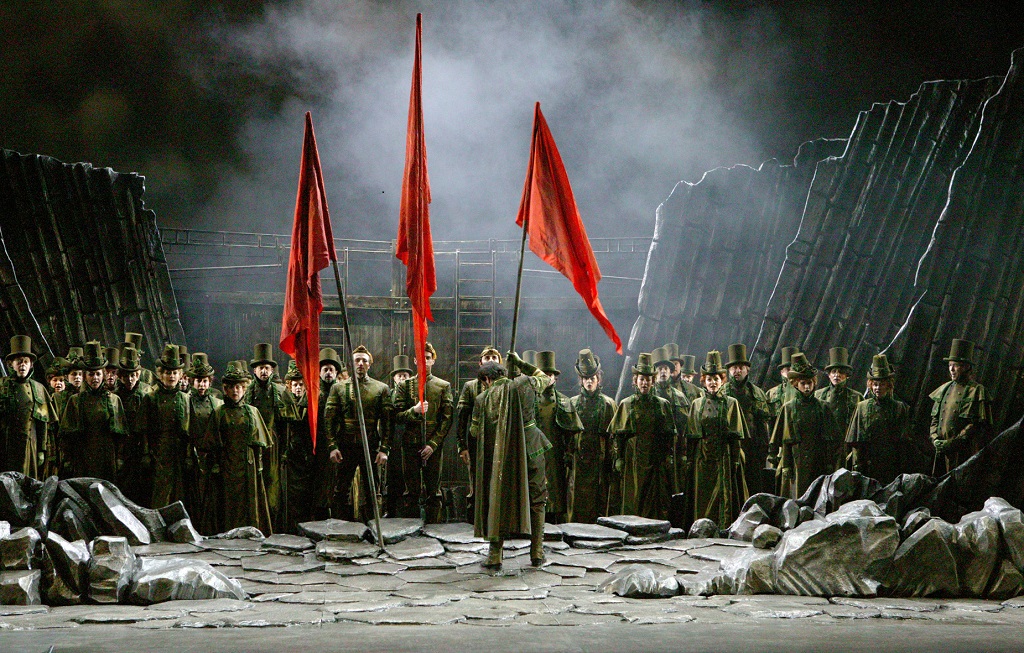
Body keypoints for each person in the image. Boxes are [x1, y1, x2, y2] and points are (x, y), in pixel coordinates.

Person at [471, 353, 551, 569]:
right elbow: (545, 378)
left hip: (501, 458)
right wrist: (521, 363)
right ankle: (537, 553)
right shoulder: (524, 383)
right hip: (531, 449)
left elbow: (474, 431)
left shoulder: (481, 399)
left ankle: (495, 555)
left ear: (486, 380)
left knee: (498, 500)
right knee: (537, 499)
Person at [207, 361, 273, 534]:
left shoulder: (252, 412)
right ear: (225, 389)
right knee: (229, 503)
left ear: (244, 388)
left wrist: (258, 464)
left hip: (248, 466)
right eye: (231, 387)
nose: (235, 391)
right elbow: (212, 442)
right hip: (227, 466)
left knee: (249, 502)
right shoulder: (219, 412)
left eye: (239, 387)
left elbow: (259, 442)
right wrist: (216, 464)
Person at [326, 344, 391, 521]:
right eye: (357, 360)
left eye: (364, 360)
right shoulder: (338, 388)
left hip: (370, 445)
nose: (360, 363)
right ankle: (343, 529)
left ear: (370, 364)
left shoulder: (381, 389)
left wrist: (384, 449)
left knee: (372, 489)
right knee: (341, 490)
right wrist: (332, 446)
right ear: (351, 364)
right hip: (345, 445)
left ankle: (372, 529)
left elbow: (387, 422)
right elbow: (329, 419)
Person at [608, 353, 676, 520]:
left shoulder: (662, 404)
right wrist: (619, 458)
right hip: (633, 459)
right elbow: (618, 435)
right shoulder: (627, 404)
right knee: (634, 495)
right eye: (641, 379)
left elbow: (669, 434)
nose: (644, 383)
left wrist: (668, 455)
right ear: (635, 381)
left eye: (647, 379)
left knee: (654, 498)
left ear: (652, 381)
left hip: (655, 458)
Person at [687, 350, 748, 527]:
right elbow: (692, 436)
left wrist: (735, 460)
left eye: (716, 379)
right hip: (703, 459)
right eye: (709, 379)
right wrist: (690, 461)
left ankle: (723, 528)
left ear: (722, 380)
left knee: (724, 497)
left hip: (724, 458)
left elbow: (736, 436)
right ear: (704, 382)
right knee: (703, 496)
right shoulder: (696, 404)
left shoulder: (731, 403)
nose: (713, 383)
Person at [393, 342, 452, 523]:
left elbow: (447, 419)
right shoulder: (405, 386)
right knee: (411, 491)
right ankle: (411, 531)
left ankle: (434, 529)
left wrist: (433, 445)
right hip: (410, 444)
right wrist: (415, 411)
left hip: (432, 446)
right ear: (414, 361)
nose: (424, 361)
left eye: (428, 358)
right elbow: (397, 415)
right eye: (420, 358)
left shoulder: (443, 386)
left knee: (434, 491)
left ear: (433, 361)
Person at [772, 353, 841, 499]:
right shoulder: (788, 408)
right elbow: (785, 441)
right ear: (796, 384)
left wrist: (829, 463)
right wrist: (786, 465)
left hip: (818, 461)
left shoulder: (823, 407)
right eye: (803, 383)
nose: (807, 386)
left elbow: (833, 439)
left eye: (810, 383)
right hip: (797, 463)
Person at [59, 341, 127, 481]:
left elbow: (121, 435)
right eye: (91, 374)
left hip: (106, 456)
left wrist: (119, 458)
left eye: (97, 374)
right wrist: (68, 459)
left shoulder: (114, 400)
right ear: (85, 376)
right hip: (82, 455)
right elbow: (66, 435)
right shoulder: (75, 401)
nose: (95, 378)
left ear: (102, 375)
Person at [929, 339, 994, 474]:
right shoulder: (945, 389)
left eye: (956, 365)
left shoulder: (976, 391)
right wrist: (935, 439)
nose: (951, 369)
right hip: (941, 452)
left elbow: (974, 425)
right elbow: (935, 419)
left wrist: (952, 443)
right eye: (950, 365)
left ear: (966, 367)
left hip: (963, 453)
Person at [567, 349, 616, 523]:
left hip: (599, 458)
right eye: (586, 379)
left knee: (600, 497)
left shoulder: (608, 404)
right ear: (581, 380)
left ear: (598, 379)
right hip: (579, 459)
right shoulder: (572, 404)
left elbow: (613, 436)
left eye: (592, 378)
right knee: (578, 498)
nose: (589, 382)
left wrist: (612, 458)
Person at [139, 344, 191, 508]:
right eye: (168, 372)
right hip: (159, 452)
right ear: (160, 374)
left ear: (180, 375)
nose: (171, 376)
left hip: (179, 452)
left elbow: (190, 430)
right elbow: (144, 429)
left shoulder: (185, 398)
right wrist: (147, 453)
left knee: (179, 492)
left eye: (175, 372)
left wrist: (189, 455)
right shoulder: (151, 398)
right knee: (160, 492)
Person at [533, 351, 583, 524]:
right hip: (534, 457)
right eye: (543, 375)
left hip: (556, 458)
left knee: (557, 497)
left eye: (550, 375)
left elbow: (573, 434)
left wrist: (569, 455)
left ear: (555, 377)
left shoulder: (564, 402)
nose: (547, 378)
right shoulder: (527, 402)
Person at [845, 354, 910, 485]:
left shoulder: (899, 408)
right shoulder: (862, 407)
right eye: (875, 384)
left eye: (882, 384)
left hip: (890, 466)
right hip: (867, 466)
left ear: (889, 385)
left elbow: (903, 443)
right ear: (870, 385)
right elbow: (855, 442)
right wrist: (857, 466)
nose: (878, 388)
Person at [0, 336, 55, 478]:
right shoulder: (1, 386)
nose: (22, 365)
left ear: (31, 364)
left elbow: (43, 422)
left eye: (26, 361)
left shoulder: (38, 389)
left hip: (30, 444)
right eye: (19, 362)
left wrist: (42, 449)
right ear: (12, 364)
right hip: (5, 445)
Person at [456, 347, 502, 515]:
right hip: (477, 441)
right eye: (487, 357)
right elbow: (462, 419)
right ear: (480, 362)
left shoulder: (506, 386)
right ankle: (475, 523)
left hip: (500, 440)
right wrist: (462, 446)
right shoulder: (470, 387)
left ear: (499, 362)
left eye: (494, 357)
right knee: (476, 482)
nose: (490, 360)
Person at [245, 343, 286, 524]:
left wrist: (284, 448)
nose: (263, 371)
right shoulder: (248, 392)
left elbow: (284, 423)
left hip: (273, 444)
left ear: (271, 371)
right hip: (253, 444)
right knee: (254, 482)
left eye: (267, 368)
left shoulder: (279, 392)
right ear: (254, 371)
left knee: (273, 482)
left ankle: (273, 522)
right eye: (260, 368)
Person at [724, 343, 772, 496]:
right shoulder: (722, 392)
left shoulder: (757, 393)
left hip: (753, 449)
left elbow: (764, 425)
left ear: (747, 369)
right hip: (731, 449)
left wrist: (764, 450)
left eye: (740, 367)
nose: (737, 371)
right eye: (733, 368)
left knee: (754, 487)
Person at [279, 360, 317, 534]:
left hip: (306, 457)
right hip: (290, 457)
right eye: (295, 385)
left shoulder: (309, 404)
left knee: (306, 496)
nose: (298, 388)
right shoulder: (284, 403)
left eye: (301, 384)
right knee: (290, 497)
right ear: (289, 386)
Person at [187, 353, 223, 534]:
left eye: (205, 381)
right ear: (192, 381)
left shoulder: (217, 404)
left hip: (210, 456)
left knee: (211, 495)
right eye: (198, 381)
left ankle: (210, 529)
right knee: (193, 494)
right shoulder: (186, 401)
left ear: (210, 382)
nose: (201, 385)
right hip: (192, 454)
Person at [652, 346, 692, 496]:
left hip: (675, 452)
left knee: (674, 490)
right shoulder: (648, 395)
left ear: (670, 372)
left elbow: (685, 429)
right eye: (659, 369)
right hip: (653, 453)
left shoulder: (680, 397)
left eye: (666, 369)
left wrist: (683, 453)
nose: (663, 372)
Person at [116, 345, 151, 505]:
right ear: (120, 376)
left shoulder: (147, 394)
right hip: (123, 448)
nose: (130, 379)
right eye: (126, 376)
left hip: (142, 447)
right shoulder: (115, 396)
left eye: (133, 375)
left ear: (138, 375)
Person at [313, 348, 344, 520]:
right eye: (325, 369)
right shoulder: (314, 394)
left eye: (331, 370)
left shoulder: (342, 392)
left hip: (339, 444)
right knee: (321, 484)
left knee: (338, 483)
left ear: (337, 373)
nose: (328, 373)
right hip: (320, 446)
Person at [815, 347, 861, 448]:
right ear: (829, 375)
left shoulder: (856, 397)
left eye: (841, 372)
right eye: (833, 371)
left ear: (847, 375)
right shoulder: (818, 395)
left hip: (847, 445)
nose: (837, 375)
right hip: (824, 445)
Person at [385, 354, 412, 517]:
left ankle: (406, 512)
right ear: (394, 378)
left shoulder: (413, 395)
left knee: (408, 474)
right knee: (392, 475)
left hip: (408, 435)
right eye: (399, 375)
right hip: (393, 437)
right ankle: (391, 510)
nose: (402, 378)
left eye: (405, 375)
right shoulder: (388, 394)